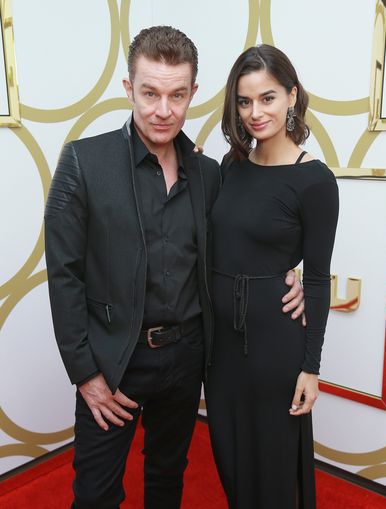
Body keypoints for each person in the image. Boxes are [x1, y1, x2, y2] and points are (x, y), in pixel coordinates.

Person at [44, 27, 304, 509]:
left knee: (167, 478)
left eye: (177, 95)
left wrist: (293, 276)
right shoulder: (83, 161)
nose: (163, 110)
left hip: (187, 357)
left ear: (192, 94)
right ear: (129, 89)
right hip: (112, 363)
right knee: (96, 493)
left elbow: (242, 244)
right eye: (150, 93)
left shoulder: (209, 172)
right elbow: (63, 275)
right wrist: (85, 375)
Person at [205, 44, 339, 509]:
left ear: (291, 97)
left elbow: (318, 278)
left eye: (267, 98)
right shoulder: (230, 166)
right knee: (228, 454)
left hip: (275, 347)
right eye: (244, 101)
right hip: (220, 346)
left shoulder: (315, 180)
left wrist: (312, 367)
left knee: (275, 462)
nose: (255, 112)